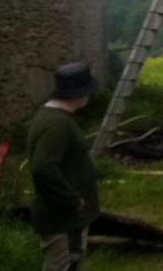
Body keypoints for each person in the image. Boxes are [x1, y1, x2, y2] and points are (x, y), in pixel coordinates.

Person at [27, 62, 100, 271]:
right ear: (80, 93)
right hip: (64, 221)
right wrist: (72, 201)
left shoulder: (54, 118)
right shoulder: (56, 124)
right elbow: (43, 168)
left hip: (68, 221)